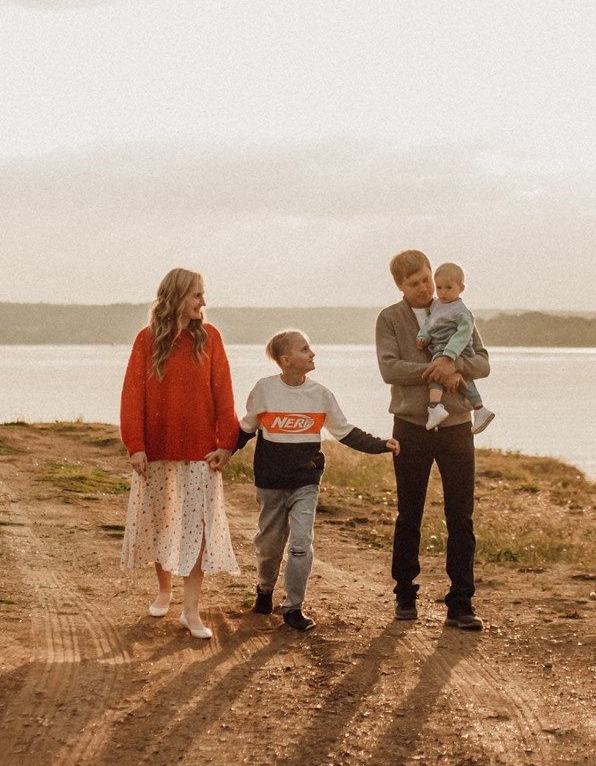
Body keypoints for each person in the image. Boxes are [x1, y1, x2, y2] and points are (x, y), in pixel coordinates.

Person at [235, 328, 398, 633]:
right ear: (286, 360)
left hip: (305, 482)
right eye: (305, 349)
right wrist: (222, 452)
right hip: (271, 482)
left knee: (300, 544)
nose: (313, 354)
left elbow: (344, 431)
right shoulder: (264, 390)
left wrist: (381, 445)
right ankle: (264, 589)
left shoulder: (320, 395)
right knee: (269, 546)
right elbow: (245, 429)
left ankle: (294, 607)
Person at [118, 267, 241, 640]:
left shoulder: (211, 338)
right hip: (156, 449)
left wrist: (226, 442)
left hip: (201, 451)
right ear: (176, 296)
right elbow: (132, 395)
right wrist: (135, 445)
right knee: (161, 522)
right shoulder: (147, 340)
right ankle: (164, 591)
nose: (203, 302)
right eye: (196, 295)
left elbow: (224, 392)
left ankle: (191, 611)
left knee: (197, 529)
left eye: (203, 295)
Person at [376, 248, 488, 630]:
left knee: (461, 516)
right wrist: (433, 369)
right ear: (400, 286)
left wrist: (453, 362)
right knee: (410, 513)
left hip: (457, 425)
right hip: (410, 425)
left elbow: (483, 362)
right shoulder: (389, 319)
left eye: (427, 278)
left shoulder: (458, 308)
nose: (426, 288)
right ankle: (405, 594)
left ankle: (461, 603)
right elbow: (389, 368)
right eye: (415, 284)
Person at [418, 261, 496, 434]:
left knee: (436, 375)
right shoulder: (437, 305)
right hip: (440, 347)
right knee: (462, 379)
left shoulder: (461, 311)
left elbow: (463, 334)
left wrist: (449, 356)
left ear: (461, 288)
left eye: (448, 287)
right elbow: (430, 323)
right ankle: (479, 408)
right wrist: (423, 336)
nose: (443, 292)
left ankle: (435, 407)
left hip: (456, 349)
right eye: (439, 287)